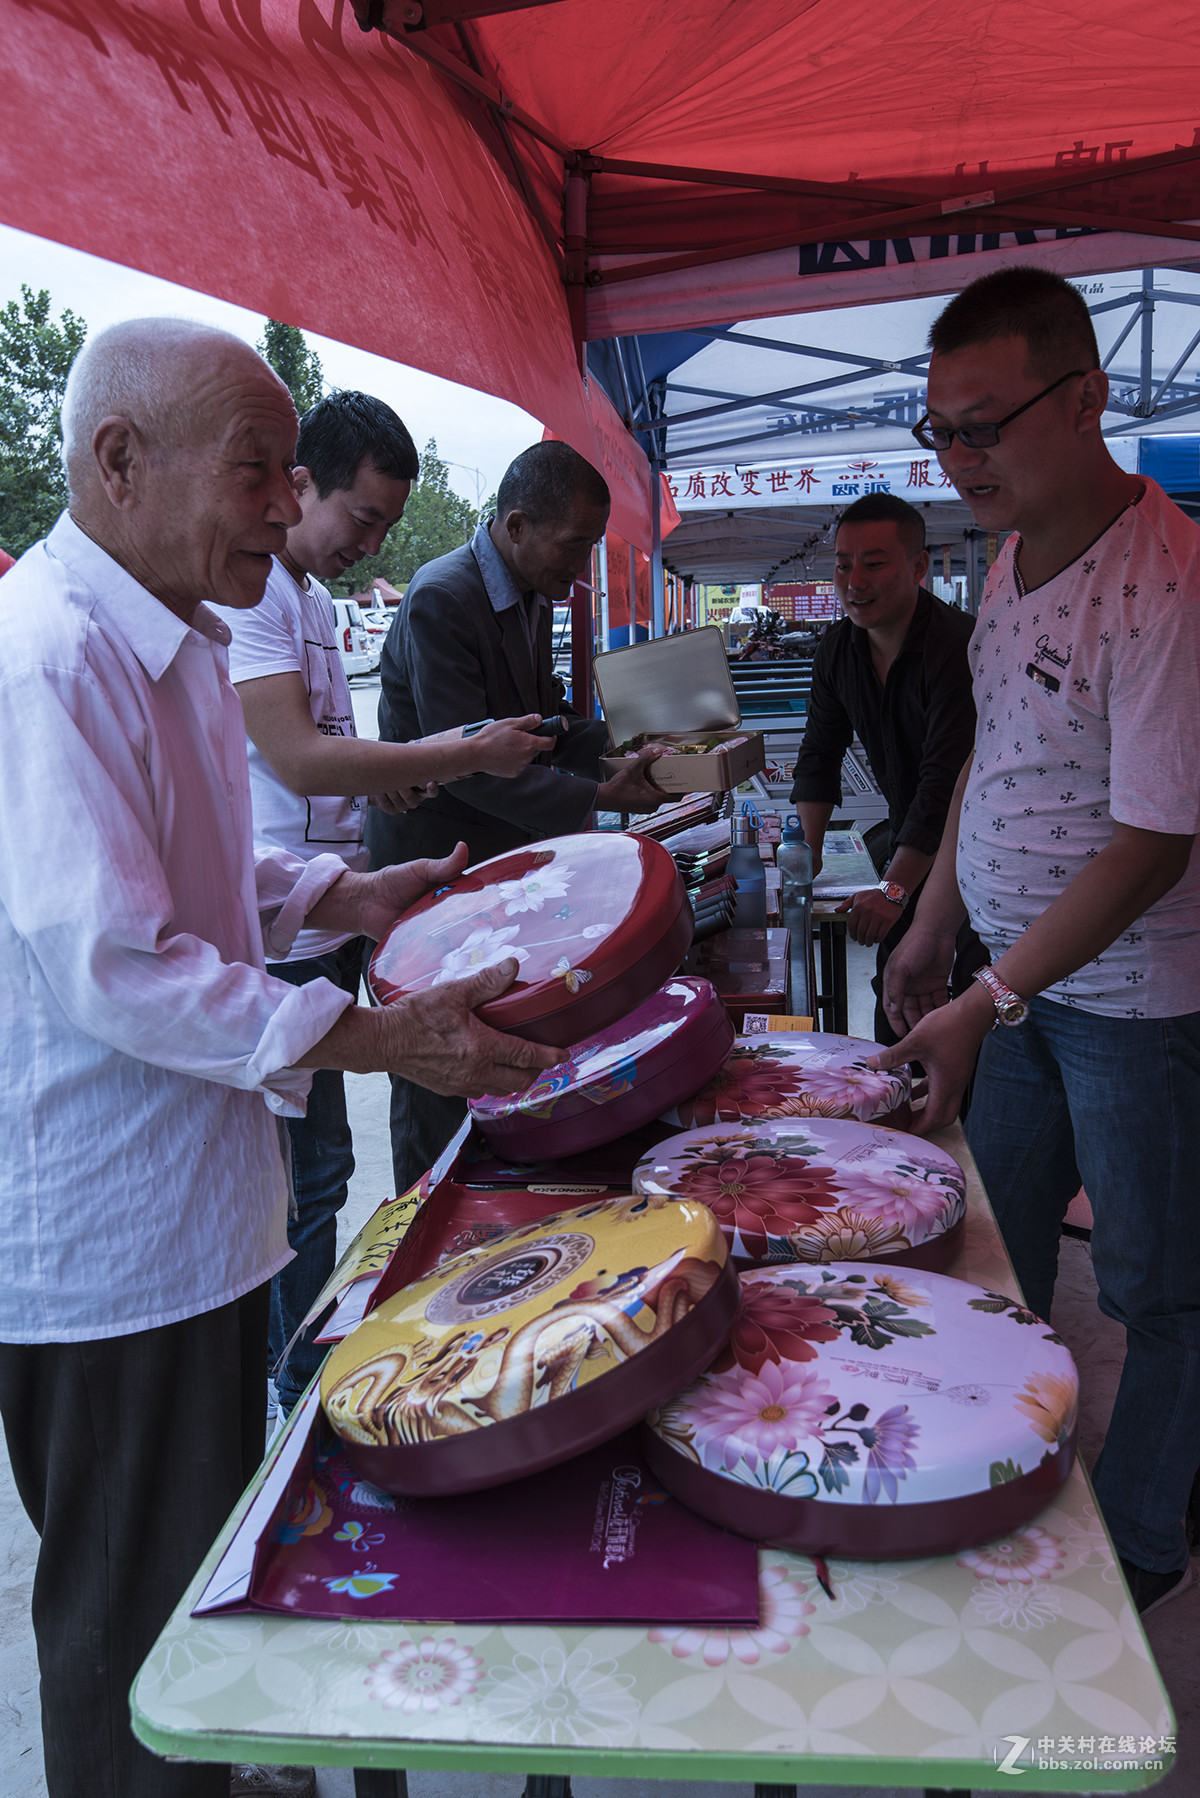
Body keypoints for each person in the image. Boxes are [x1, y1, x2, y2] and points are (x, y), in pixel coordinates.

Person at [0, 318, 559, 1798]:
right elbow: (114, 959)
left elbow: (196, 872)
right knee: (122, 1601)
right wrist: (371, 1029)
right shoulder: (47, 656)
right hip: (109, 1240)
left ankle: (207, 1764)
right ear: (121, 461)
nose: (280, 505)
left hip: (196, 1209)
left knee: (194, 1546)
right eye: (258, 471)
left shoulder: (170, 629)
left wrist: (329, 897)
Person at [869, 266, 1200, 1615]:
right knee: (991, 1241)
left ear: (1088, 398)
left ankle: (1144, 1536)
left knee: (1154, 1283)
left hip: (1131, 1003)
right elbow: (994, 763)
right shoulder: (1005, 566)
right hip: (1008, 991)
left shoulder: (1168, 579)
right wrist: (934, 917)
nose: (960, 459)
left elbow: (1155, 839)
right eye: (940, 429)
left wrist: (988, 985)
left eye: (985, 425)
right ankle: (994, 1469)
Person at [217, 390, 548, 1416]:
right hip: (276, 939)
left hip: (322, 908)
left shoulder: (309, 598)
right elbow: (297, 755)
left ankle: (301, 1358)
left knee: (322, 1169)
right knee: (299, 1183)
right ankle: (293, 1384)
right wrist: (459, 750)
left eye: (386, 527)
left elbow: (318, 761)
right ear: (297, 484)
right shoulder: (257, 590)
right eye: (361, 518)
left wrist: (381, 791)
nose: (369, 543)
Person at [366, 439, 666, 1192]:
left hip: (500, 876)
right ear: (518, 524)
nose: (582, 567)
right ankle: (430, 1215)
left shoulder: (532, 594)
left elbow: (542, 727)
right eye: (575, 545)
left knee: (501, 1053)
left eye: (592, 547)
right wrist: (598, 794)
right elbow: (471, 767)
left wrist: (621, 744)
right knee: (440, 1064)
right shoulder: (443, 598)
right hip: (437, 874)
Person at [790, 492, 983, 1043]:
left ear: (918, 567)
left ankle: (953, 1114)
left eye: (874, 564)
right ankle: (896, 1110)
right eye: (843, 564)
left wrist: (894, 890)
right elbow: (819, 753)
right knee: (895, 1001)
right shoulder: (837, 648)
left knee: (963, 1000)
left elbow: (944, 784)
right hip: (911, 835)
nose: (855, 581)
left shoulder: (957, 647)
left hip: (975, 853)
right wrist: (807, 855)